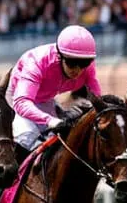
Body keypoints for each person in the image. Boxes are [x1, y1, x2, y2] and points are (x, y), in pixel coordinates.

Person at [6, 25, 102, 153]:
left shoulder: (88, 68)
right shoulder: (37, 63)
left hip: (46, 99)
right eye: (72, 63)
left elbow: (98, 103)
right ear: (60, 56)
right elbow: (21, 102)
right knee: (26, 137)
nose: (78, 70)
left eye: (84, 63)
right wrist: (49, 120)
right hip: (17, 100)